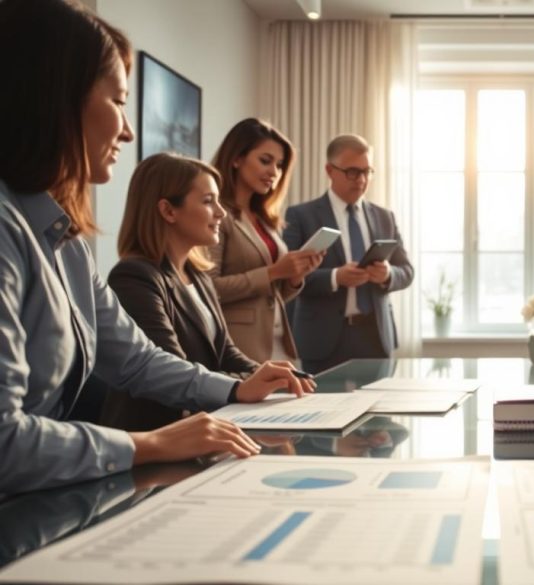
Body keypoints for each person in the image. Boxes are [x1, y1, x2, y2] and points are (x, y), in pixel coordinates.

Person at [0, 0, 309, 495]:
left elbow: (136, 360)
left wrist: (233, 387)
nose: (127, 129)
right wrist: (146, 445)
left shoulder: (68, 242)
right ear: (59, 99)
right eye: (119, 102)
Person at [101, 154, 315, 431]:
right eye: (207, 201)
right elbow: (173, 371)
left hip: (206, 423)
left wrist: (267, 375)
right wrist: (243, 385)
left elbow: (227, 353)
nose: (221, 212)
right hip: (158, 433)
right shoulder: (134, 278)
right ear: (168, 211)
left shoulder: (199, 276)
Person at [282, 134, 414, 374]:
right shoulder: (300, 216)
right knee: (323, 410)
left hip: (375, 336)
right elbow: (287, 278)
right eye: (353, 172)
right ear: (330, 170)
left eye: (367, 171)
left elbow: (406, 271)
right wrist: (335, 277)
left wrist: (387, 274)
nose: (361, 180)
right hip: (322, 340)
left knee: (380, 410)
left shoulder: (385, 217)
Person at [208, 118, 323, 363]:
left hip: (278, 343)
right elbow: (209, 288)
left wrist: (294, 277)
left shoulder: (264, 220)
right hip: (241, 348)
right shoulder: (218, 216)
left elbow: (272, 294)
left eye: (280, 165)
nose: (274, 172)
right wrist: (273, 272)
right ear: (236, 158)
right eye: (265, 161)